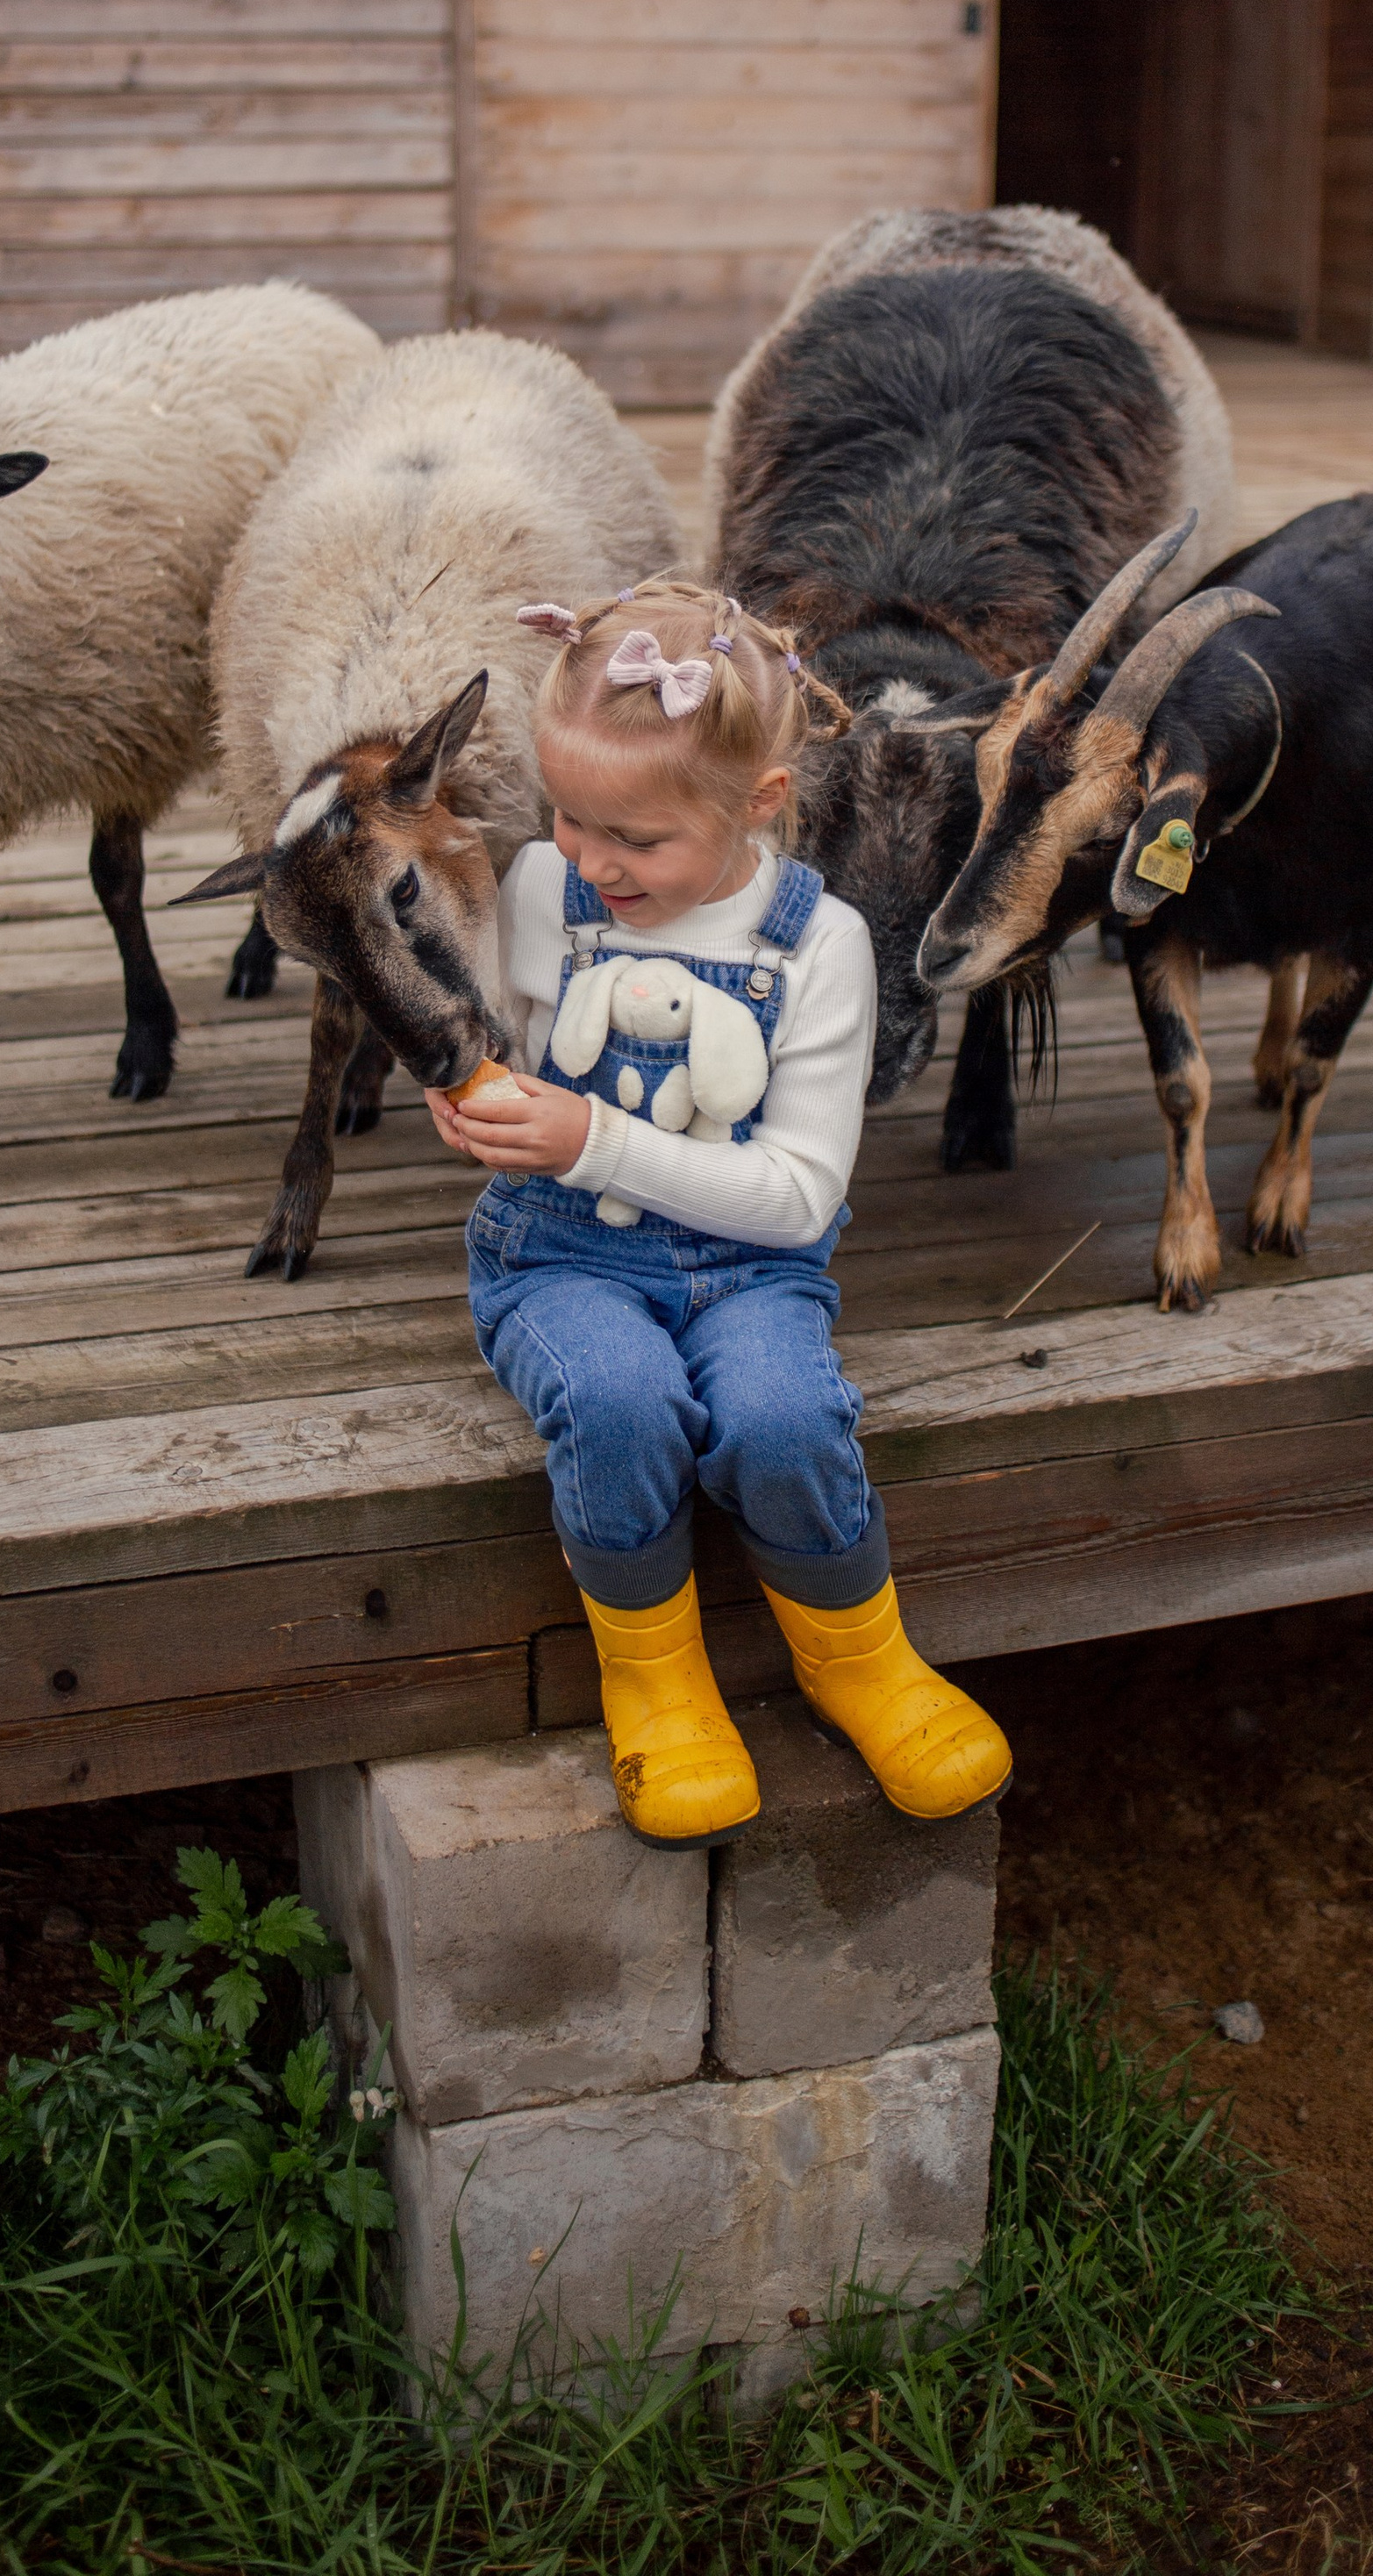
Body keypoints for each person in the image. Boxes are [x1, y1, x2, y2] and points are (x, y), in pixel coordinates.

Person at [425, 577, 1012, 1850]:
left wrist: (594, 1137)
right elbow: (503, 1052)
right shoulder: (544, 890)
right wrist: (475, 1094)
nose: (592, 859)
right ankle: (655, 1677)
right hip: (556, 1258)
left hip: (754, 1268)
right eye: (571, 817)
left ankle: (857, 1654)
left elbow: (800, 1196)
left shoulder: (822, 945)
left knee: (781, 1412)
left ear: (759, 806)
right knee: (622, 1400)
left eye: (636, 838)